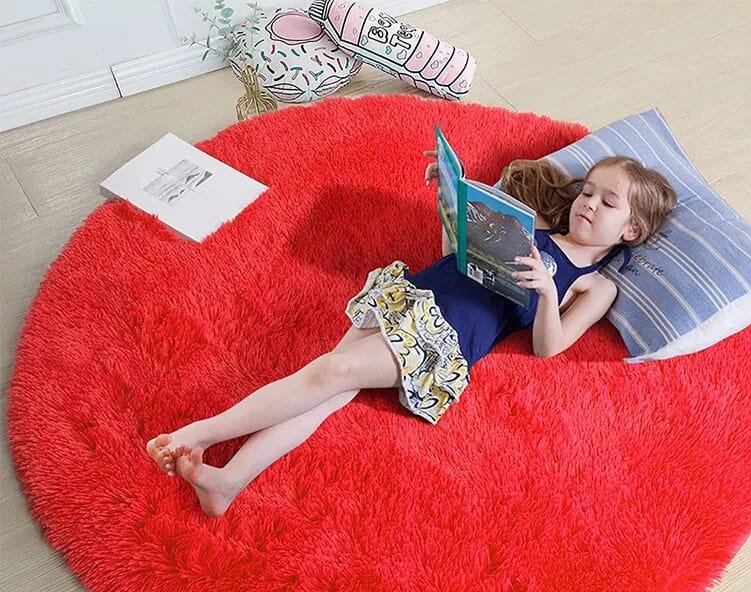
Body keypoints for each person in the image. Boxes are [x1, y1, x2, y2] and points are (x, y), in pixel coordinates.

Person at [146, 148, 677, 517]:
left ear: (631, 230)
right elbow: (459, 257)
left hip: (443, 337)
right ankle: (228, 483)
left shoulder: (595, 286)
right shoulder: (531, 226)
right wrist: (449, 204)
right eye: (588, 192)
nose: (588, 204)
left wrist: (544, 291)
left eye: (607, 203)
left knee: (332, 371)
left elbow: (549, 348)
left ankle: (202, 433)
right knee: (329, 390)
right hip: (415, 294)